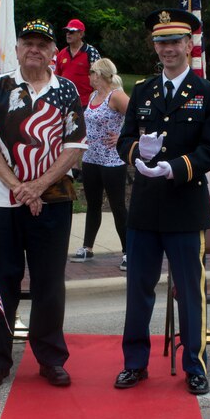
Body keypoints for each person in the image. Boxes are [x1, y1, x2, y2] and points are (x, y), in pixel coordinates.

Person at [114, 8, 210, 395]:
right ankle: (134, 363)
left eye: (175, 42)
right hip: (144, 208)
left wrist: (174, 168)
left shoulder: (207, 94)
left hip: (184, 208)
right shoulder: (143, 91)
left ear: (190, 45)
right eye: (161, 42)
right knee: (138, 289)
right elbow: (123, 140)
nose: (168, 49)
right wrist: (138, 155)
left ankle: (194, 364)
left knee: (189, 291)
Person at [0, 19, 87, 388]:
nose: (35, 49)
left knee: (49, 282)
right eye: (28, 43)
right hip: (6, 204)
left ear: (54, 51)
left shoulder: (66, 90)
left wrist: (36, 187)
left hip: (53, 201)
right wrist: (19, 188)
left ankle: (51, 358)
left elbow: (74, 148)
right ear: (18, 48)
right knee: (1, 279)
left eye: (43, 44)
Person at [70, 58, 130, 271]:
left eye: (92, 72)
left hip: (112, 160)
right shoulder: (94, 96)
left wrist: (123, 137)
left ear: (101, 75)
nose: (89, 76)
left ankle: (128, 251)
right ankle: (88, 246)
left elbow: (138, 116)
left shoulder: (117, 96)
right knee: (93, 204)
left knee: (117, 206)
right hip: (91, 159)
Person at [55, 19, 100, 107]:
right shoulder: (61, 54)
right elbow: (57, 77)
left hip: (85, 102)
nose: (68, 34)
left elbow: (99, 77)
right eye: (67, 31)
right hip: (65, 101)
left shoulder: (91, 52)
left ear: (81, 34)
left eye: (71, 31)